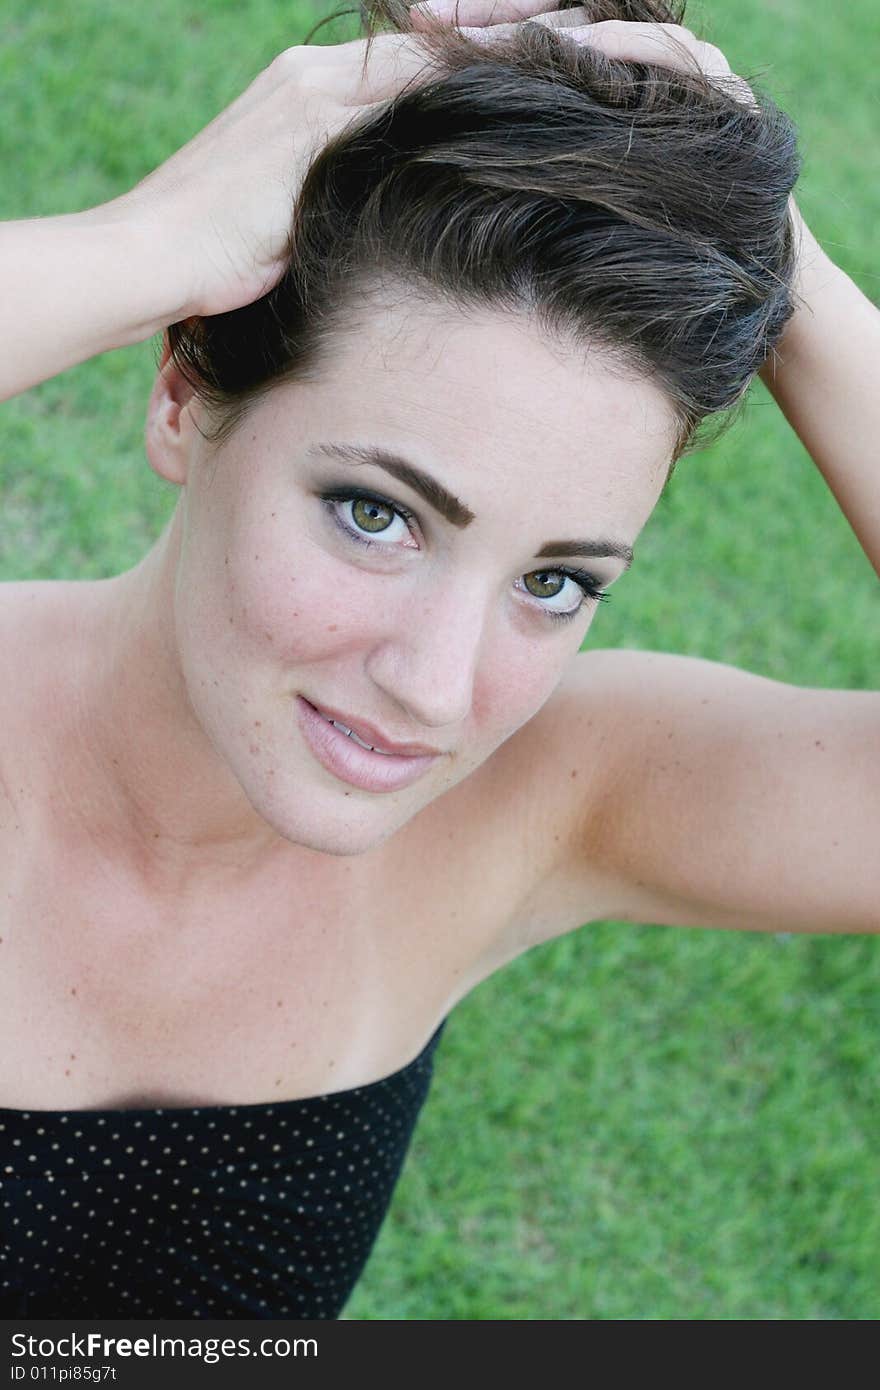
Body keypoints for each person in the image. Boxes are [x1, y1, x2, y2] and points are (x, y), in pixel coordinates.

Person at [0, 0, 876, 1320]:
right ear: (183, 395)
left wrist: (785, 269)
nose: (438, 683)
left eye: (554, 581)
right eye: (375, 513)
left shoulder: (536, 804)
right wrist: (150, 243)